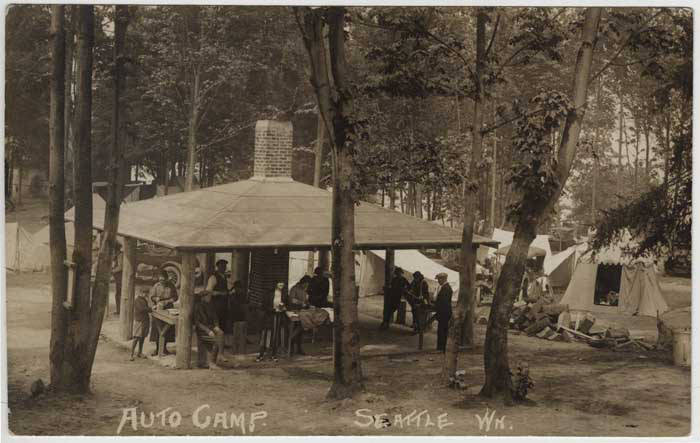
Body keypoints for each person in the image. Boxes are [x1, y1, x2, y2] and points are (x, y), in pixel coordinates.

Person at [148, 270, 178, 356]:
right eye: (160, 279)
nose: (161, 280)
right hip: (159, 307)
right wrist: (156, 299)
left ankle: (164, 348)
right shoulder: (156, 286)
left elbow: (175, 297)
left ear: (166, 278)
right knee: (158, 328)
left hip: (168, 308)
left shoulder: (171, 286)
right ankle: (157, 349)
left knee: (167, 328)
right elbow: (152, 297)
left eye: (163, 279)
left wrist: (169, 301)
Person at [194, 290, 225, 369]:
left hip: (211, 327)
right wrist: (208, 331)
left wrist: (216, 326)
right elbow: (198, 323)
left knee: (221, 333)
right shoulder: (197, 306)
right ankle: (212, 363)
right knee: (216, 341)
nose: (210, 298)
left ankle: (221, 354)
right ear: (203, 298)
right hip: (202, 330)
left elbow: (215, 317)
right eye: (208, 296)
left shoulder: (210, 305)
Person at [206, 259, 231, 336]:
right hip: (215, 306)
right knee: (216, 325)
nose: (224, 267)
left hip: (223, 305)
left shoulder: (224, 277)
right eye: (222, 266)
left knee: (223, 324)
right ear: (218, 267)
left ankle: (221, 343)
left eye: (225, 266)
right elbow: (208, 291)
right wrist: (220, 293)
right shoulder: (213, 277)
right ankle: (215, 344)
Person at [434, 272, 453, 352]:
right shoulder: (444, 287)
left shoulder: (446, 288)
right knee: (442, 330)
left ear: (443, 279)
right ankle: (441, 347)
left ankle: (441, 347)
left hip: (444, 313)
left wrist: (437, 307)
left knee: (442, 330)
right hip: (444, 312)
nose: (438, 281)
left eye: (439, 279)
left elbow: (444, 303)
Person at [131, 289, 151, 361]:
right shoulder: (137, 300)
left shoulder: (143, 300)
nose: (146, 295)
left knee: (142, 337)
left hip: (145, 320)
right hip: (139, 321)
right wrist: (151, 309)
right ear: (140, 293)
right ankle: (131, 354)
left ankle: (140, 352)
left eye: (146, 293)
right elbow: (142, 309)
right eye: (145, 293)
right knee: (136, 337)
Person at [112, 242, 123, 315]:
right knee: (118, 294)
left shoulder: (120, 255)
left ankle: (120, 311)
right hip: (117, 277)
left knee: (119, 294)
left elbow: (120, 267)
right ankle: (119, 310)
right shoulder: (116, 255)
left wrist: (111, 271)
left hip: (120, 277)